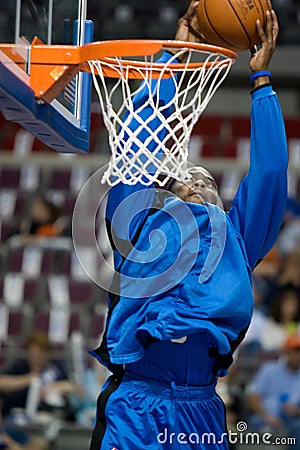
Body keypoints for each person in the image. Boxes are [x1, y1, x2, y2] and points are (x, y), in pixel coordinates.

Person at [89, 3, 288, 449]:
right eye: (183, 178)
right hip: (137, 404)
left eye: (206, 181)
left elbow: (271, 174)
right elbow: (139, 140)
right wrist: (174, 57)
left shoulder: (236, 239)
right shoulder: (141, 227)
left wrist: (262, 83)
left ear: (222, 200)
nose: (194, 180)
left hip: (200, 409)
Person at [0, 331, 80, 420]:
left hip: (50, 415)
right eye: (33, 353)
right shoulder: (20, 369)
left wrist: (51, 388)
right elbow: (2, 382)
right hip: (18, 413)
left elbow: (74, 388)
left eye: (40, 352)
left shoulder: (56, 370)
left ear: (48, 353)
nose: (36, 356)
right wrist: (26, 380)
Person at [247, 335, 300, 446]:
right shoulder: (269, 370)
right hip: (265, 417)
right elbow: (254, 399)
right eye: (295, 351)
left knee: (297, 428)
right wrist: (268, 417)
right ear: (287, 352)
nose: (298, 355)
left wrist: (296, 411)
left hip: (292, 420)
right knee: (256, 423)